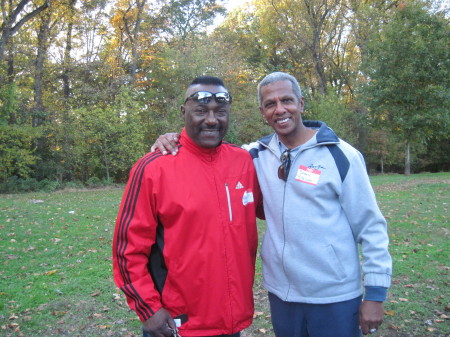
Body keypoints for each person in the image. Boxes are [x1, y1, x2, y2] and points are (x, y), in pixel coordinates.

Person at [151, 72, 392, 337]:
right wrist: (173, 139)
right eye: (270, 104)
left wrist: (376, 294)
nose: (280, 109)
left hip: (334, 294)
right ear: (262, 112)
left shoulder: (341, 155)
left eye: (286, 100)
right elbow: (211, 151)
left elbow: (371, 227)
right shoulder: (253, 156)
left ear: (301, 103)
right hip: (282, 295)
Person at [113, 75, 263, 337]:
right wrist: (148, 308)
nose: (211, 120)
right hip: (176, 322)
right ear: (184, 112)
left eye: (221, 112)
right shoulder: (153, 168)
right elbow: (127, 248)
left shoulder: (242, 162)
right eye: (201, 111)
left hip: (230, 320)